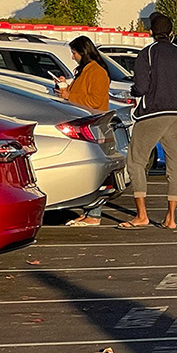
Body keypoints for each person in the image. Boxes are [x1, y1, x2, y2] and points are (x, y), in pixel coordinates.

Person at [118, 12, 177, 230]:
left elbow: (141, 87)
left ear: (150, 32)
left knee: (136, 162)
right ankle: (171, 218)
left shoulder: (147, 53)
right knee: (174, 167)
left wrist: (132, 91)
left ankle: (141, 215)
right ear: (171, 33)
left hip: (152, 113)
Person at [58, 35, 113, 226]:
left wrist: (69, 95)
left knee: (93, 168)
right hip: (86, 125)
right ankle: (90, 211)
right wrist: (66, 87)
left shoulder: (97, 72)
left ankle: (94, 213)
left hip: (94, 125)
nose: (72, 57)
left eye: (74, 53)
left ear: (83, 52)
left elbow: (95, 101)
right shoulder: (86, 70)